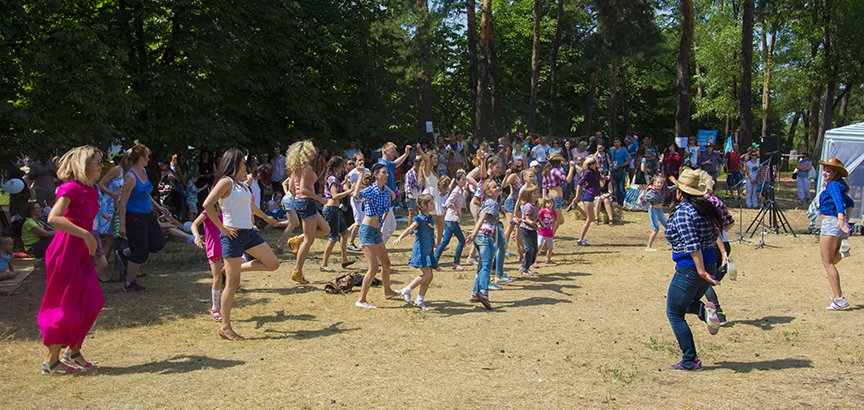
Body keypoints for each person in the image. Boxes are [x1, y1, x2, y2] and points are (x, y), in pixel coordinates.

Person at [37, 146, 106, 375]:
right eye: (97, 161)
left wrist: (92, 242)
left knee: (92, 300)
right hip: (65, 249)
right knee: (64, 304)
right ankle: (52, 360)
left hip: (81, 251)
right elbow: (54, 218)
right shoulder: (70, 188)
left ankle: (73, 350)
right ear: (84, 164)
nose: (101, 165)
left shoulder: (91, 189)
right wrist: (85, 235)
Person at [202, 149, 280, 340]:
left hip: (248, 233)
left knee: (273, 263)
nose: (246, 168)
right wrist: (222, 229)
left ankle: (237, 269)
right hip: (232, 236)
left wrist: (266, 217)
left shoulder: (241, 186)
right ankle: (226, 327)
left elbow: (250, 206)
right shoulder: (226, 182)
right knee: (233, 284)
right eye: (243, 165)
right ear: (234, 164)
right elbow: (207, 205)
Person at [664, 168, 723, 371]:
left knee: (673, 312)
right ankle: (703, 310)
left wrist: (700, 271)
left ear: (680, 191)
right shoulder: (705, 208)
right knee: (684, 303)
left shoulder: (683, 212)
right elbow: (723, 228)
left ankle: (690, 360)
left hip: (691, 268)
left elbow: (692, 245)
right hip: (709, 263)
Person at [116, 144, 170, 292]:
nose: (149, 159)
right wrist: (122, 224)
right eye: (147, 157)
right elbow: (123, 202)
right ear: (141, 158)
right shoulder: (131, 176)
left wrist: (158, 207)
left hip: (147, 214)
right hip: (134, 217)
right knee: (140, 252)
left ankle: (125, 253)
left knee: (158, 242)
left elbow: (146, 193)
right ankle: (129, 282)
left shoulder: (143, 172)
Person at [353, 163, 399, 309]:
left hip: (375, 231)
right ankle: (361, 300)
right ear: (376, 175)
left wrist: (381, 223)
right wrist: (361, 175)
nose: (387, 175)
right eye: (384, 173)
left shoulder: (385, 191)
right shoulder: (371, 189)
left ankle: (387, 291)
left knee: (386, 263)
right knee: (373, 268)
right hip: (366, 230)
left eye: (387, 173)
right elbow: (356, 195)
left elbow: (392, 198)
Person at [285, 140, 330, 285]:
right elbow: (304, 189)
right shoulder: (307, 168)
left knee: (325, 229)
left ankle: (297, 239)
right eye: (311, 151)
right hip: (307, 202)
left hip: (301, 202)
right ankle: (297, 271)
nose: (314, 154)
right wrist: (319, 199)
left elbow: (292, 188)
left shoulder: (295, 167)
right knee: (309, 240)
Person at [815, 158, 854, 310]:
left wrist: (841, 220)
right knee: (831, 260)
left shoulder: (832, 186)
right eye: (824, 169)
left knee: (827, 262)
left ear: (836, 173)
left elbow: (839, 202)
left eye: (828, 170)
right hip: (835, 225)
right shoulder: (838, 185)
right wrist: (844, 222)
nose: (824, 173)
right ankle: (841, 251)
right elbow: (850, 203)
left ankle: (839, 299)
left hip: (830, 224)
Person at [391, 194, 438, 311]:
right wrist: (400, 237)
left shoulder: (430, 218)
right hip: (421, 251)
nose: (433, 205)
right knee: (426, 274)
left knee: (430, 276)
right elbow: (410, 229)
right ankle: (406, 290)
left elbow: (432, 232)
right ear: (423, 206)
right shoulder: (419, 219)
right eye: (431, 203)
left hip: (428, 250)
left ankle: (420, 299)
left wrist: (435, 244)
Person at [465, 179, 502, 310]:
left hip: (481, 236)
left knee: (481, 266)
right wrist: (474, 233)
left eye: (497, 186)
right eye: (494, 187)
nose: (497, 188)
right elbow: (482, 217)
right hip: (484, 236)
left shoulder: (489, 202)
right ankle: (483, 292)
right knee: (486, 265)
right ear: (488, 192)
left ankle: (475, 293)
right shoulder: (492, 203)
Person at [320, 156, 355, 273]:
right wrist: (349, 191)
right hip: (331, 209)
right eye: (341, 166)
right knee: (333, 238)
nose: (343, 168)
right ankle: (324, 264)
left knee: (345, 234)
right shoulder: (332, 179)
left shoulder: (334, 178)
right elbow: (334, 196)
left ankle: (344, 259)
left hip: (334, 210)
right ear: (337, 167)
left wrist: (343, 183)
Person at [190, 209, 224, 321]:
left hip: (227, 246)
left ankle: (224, 304)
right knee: (217, 278)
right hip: (214, 248)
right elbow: (194, 224)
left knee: (231, 276)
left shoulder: (227, 209)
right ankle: (215, 307)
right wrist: (197, 237)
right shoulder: (208, 212)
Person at [377, 142, 413, 242]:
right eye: (392, 150)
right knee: (384, 228)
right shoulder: (381, 165)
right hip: (384, 200)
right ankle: (378, 249)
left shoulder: (388, 164)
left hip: (390, 201)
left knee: (392, 227)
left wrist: (405, 154)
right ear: (385, 151)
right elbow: (379, 182)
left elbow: (397, 163)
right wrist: (391, 192)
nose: (394, 153)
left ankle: (379, 247)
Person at [434, 170, 467, 271]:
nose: (464, 181)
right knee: (462, 240)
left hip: (451, 219)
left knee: (445, 241)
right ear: (457, 181)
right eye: (462, 179)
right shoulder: (456, 190)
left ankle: (434, 262)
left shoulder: (460, 190)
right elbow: (448, 202)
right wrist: (457, 210)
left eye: (465, 179)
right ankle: (456, 263)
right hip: (452, 219)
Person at [415, 145, 445, 247]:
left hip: (435, 194)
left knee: (440, 222)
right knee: (430, 221)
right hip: (429, 194)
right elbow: (426, 160)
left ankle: (437, 244)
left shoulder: (433, 170)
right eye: (434, 158)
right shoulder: (426, 168)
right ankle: (432, 243)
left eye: (437, 158)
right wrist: (420, 150)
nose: (436, 160)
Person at [569, 156, 602, 246]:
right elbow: (579, 184)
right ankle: (580, 239)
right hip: (588, 195)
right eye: (589, 164)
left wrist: (605, 178)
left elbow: (599, 179)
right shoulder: (587, 172)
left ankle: (577, 208)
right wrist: (576, 197)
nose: (591, 165)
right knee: (589, 219)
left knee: (590, 218)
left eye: (592, 163)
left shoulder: (597, 171)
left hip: (593, 195)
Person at [345, 153, 370, 251]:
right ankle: (350, 242)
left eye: (362, 160)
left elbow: (369, 184)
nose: (362, 162)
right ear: (355, 162)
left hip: (364, 199)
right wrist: (352, 194)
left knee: (361, 220)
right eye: (359, 160)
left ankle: (344, 233)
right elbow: (345, 186)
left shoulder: (367, 171)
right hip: (356, 199)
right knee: (359, 221)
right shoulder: (352, 173)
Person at [515, 186, 539, 275]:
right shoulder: (528, 206)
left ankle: (527, 266)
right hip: (525, 229)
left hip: (533, 229)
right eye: (534, 193)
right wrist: (532, 223)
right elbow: (527, 218)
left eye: (537, 193)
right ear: (529, 196)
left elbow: (537, 217)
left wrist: (540, 223)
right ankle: (524, 267)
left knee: (535, 249)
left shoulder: (536, 204)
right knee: (529, 249)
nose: (537, 195)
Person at [640, 175, 668, 251]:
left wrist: (678, 185)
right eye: (658, 182)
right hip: (653, 210)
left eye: (661, 183)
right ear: (654, 182)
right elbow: (644, 203)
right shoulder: (650, 193)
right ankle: (648, 247)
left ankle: (670, 241)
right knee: (656, 229)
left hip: (660, 210)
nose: (659, 184)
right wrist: (642, 200)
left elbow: (671, 189)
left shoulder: (664, 190)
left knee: (668, 226)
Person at [608, 138, 631, 206]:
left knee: (621, 188)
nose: (616, 143)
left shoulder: (624, 150)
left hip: (621, 172)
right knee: (616, 189)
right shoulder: (611, 150)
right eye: (615, 142)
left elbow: (628, 161)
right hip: (613, 172)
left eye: (618, 142)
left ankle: (624, 203)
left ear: (620, 143)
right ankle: (619, 203)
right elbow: (609, 159)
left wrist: (620, 166)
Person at [537, 196, 557, 264]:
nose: (550, 204)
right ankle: (534, 259)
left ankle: (548, 259)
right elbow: (538, 218)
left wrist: (552, 227)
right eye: (548, 203)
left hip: (549, 232)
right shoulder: (542, 211)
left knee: (550, 247)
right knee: (539, 245)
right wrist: (539, 225)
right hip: (542, 231)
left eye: (551, 202)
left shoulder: (554, 213)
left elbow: (554, 221)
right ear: (545, 203)